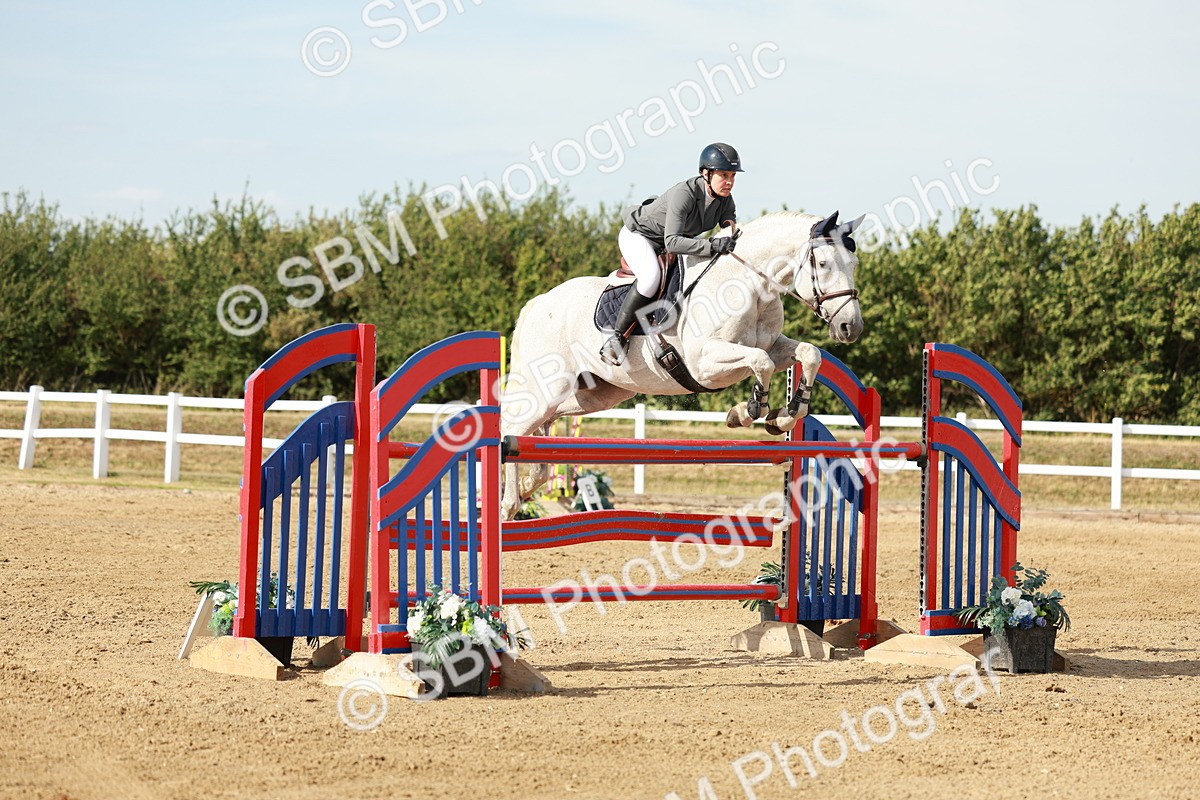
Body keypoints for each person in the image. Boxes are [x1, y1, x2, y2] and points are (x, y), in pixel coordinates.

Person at [599, 142, 743, 366]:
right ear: (706, 173)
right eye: (724, 175)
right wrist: (713, 245)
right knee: (650, 277)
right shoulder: (684, 194)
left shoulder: (725, 200)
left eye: (733, 176)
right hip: (640, 235)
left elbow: (730, 230)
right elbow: (673, 242)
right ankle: (616, 339)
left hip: (670, 240)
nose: (729, 182)